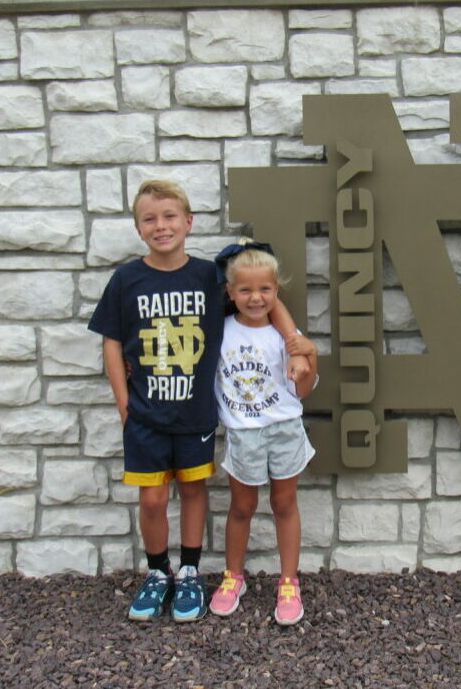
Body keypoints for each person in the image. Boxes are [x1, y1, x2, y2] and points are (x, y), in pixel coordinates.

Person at [88, 181, 310, 622]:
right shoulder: (126, 279)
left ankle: (189, 571)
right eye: (149, 218)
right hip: (146, 412)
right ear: (137, 227)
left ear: (188, 223)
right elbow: (111, 342)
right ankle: (157, 572)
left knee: (192, 491)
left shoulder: (211, 276)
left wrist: (295, 341)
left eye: (170, 216)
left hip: (195, 412)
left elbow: (266, 297)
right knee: (151, 500)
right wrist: (121, 401)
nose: (161, 226)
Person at [207, 240, 319, 627]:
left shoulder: (287, 337)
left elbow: (303, 392)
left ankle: (289, 582)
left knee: (284, 505)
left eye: (265, 289)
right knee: (241, 507)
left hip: (284, 429)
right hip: (243, 434)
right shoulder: (220, 332)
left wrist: (311, 358)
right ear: (230, 292)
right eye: (245, 290)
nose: (256, 298)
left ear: (276, 290)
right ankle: (233, 576)